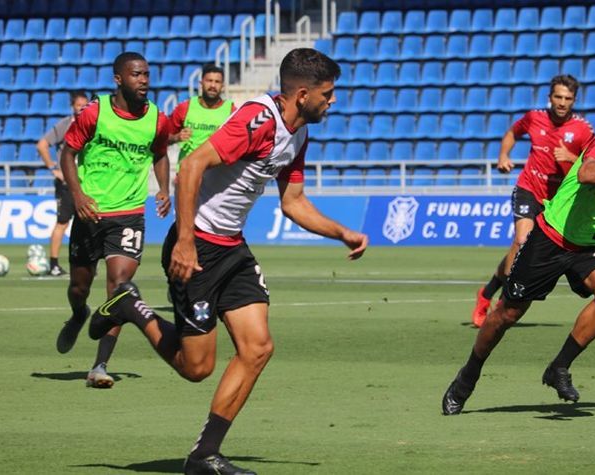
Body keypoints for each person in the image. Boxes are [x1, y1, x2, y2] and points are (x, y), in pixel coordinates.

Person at [88, 48, 368, 474]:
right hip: (196, 245)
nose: (332, 102)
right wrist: (183, 240)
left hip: (232, 249)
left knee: (258, 348)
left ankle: (204, 456)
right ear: (303, 93)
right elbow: (193, 166)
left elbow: (293, 203)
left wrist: (342, 232)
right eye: (328, 95)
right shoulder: (257, 120)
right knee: (195, 368)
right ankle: (129, 306)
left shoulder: (298, 134)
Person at [443, 101, 595, 416]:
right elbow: (588, 172)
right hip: (553, 235)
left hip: (593, 243)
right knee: (508, 314)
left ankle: (558, 367)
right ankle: (468, 375)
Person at [55, 52, 171, 389]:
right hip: (90, 213)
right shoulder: (96, 112)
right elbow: (68, 153)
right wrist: (77, 195)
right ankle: (79, 314)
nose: (144, 80)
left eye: (147, 74)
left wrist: (164, 188)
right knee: (79, 286)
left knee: (119, 289)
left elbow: (161, 154)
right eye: (136, 74)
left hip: (129, 214)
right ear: (118, 78)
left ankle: (100, 365)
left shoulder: (157, 120)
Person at [471, 75, 595, 327]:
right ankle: (500, 304)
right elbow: (511, 133)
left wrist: (572, 158)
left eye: (568, 98)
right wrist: (503, 156)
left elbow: (594, 165)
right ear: (549, 98)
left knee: (523, 252)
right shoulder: (534, 117)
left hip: (559, 199)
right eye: (558, 97)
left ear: (574, 100)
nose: (562, 103)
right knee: (521, 239)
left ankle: (486, 292)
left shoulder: (583, 129)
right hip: (529, 188)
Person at [36, 91, 89, 276]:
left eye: (85, 104)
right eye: (78, 104)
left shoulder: (92, 124)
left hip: (87, 183)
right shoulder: (65, 125)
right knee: (62, 223)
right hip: (67, 184)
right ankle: (54, 264)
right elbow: (42, 144)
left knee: (89, 223)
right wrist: (53, 168)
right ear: (72, 106)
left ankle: (88, 264)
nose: (82, 107)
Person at [168, 63, 236, 169]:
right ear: (201, 83)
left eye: (217, 82)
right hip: (187, 172)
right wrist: (176, 137)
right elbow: (164, 138)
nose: (213, 85)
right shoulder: (185, 107)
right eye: (209, 81)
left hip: (216, 175)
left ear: (222, 86)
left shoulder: (231, 111)